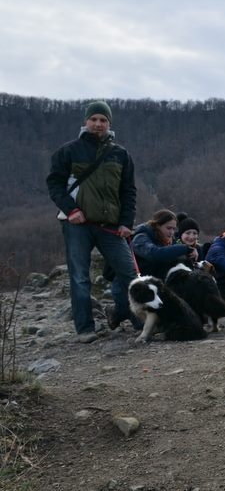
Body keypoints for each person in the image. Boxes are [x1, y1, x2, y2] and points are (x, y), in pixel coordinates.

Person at [46, 100, 142, 343]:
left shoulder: (121, 154)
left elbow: (128, 191)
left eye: (103, 120)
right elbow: (55, 185)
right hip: (77, 225)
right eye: (94, 119)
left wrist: (126, 222)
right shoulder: (68, 151)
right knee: (79, 277)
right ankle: (85, 329)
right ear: (86, 121)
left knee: (129, 273)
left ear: (109, 123)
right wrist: (71, 210)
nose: (98, 124)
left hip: (111, 226)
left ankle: (143, 322)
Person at [131, 209, 198, 278]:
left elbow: (177, 249)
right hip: (144, 280)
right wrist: (186, 248)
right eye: (169, 228)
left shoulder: (169, 239)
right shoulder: (141, 238)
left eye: (174, 229)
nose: (172, 232)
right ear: (157, 225)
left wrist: (190, 252)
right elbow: (155, 254)